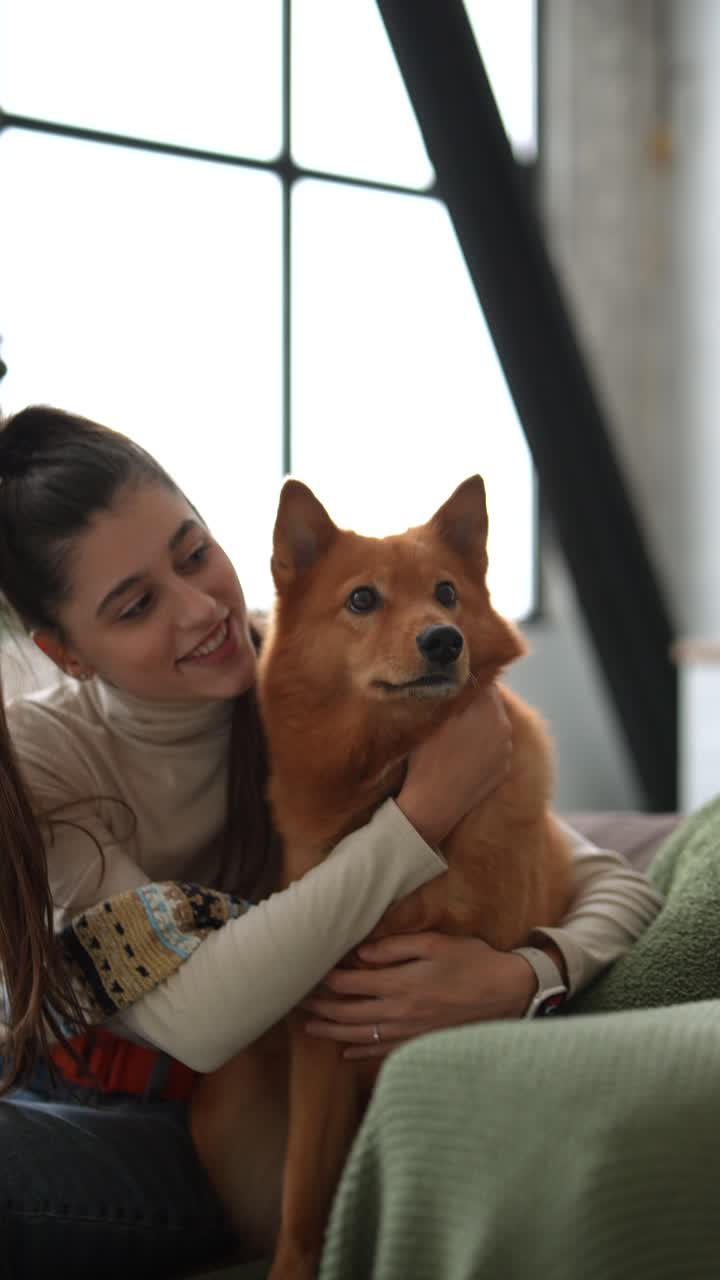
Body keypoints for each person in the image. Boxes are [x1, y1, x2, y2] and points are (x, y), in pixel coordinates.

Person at [0, 404, 662, 1279]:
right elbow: (200, 1019)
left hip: (250, 1121)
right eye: (136, 606)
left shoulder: (332, 679)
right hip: (88, 1093)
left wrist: (525, 975)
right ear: (67, 653)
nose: (202, 609)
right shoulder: (44, 757)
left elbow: (613, 881)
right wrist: (416, 822)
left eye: (194, 553)